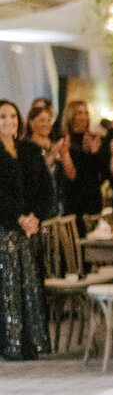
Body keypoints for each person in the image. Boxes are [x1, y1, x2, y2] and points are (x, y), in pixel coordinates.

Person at [0, 100, 50, 360]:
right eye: (2, 117)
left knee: (29, 283)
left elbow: (42, 187)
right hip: (5, 226)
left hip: (29, 227)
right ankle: (10, 341)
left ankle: (30, 341)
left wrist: (34, 216)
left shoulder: (29, 150)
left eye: (12, 116)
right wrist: (16, 218)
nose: (9, 121)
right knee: (8, 282)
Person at [59, 99, 108, 230]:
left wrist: (95, 153)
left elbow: (104, 173)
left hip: (93, 199)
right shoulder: (64, 141)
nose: (84, 117)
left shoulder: (94, 139)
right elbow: (72, 177)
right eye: (79, 113)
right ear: (70, 116)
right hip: (74, 201)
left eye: (86, 113)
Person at [22, 103, 74, 221]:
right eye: (41, 120)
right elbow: (32, 176)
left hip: (60, 206)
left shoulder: (55, 144)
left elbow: (71, 175)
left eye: (49, 120)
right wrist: (51, 156)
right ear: (31, 123)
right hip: (39, 208)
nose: (46, 123)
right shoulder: (27, 147)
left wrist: (65, 153)